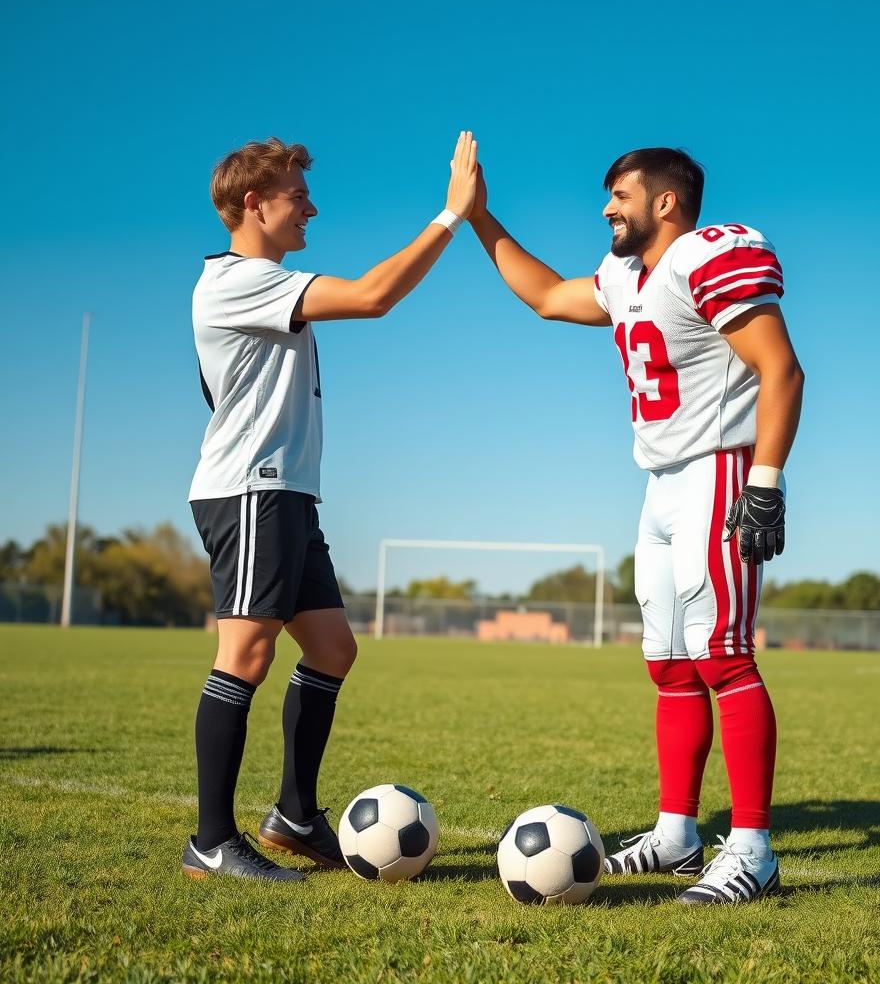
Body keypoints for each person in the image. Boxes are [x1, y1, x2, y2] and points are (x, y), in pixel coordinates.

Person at [469, 148, 803, 904]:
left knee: (723, 655)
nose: (605, 208)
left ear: (666, 203)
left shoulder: (705, 256)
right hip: (659, 485)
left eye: (619, 195)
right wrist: (477, 217)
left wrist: (766, 484)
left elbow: (782, 368)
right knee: (669, 664)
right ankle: (678, 834)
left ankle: (753, 849)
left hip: (720, 467)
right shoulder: (624, 276)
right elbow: (549, 296)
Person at [183, 132, 479, 881]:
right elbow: (375, 296)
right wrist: (450, 216)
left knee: (332, 650)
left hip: (284, 494)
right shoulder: (236, 281)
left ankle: (292, 814)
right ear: (253, 203)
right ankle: (211, 841)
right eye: (296, 195)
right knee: (245, 656)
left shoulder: (263, 287)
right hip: (254, 491)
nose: (310, 208)